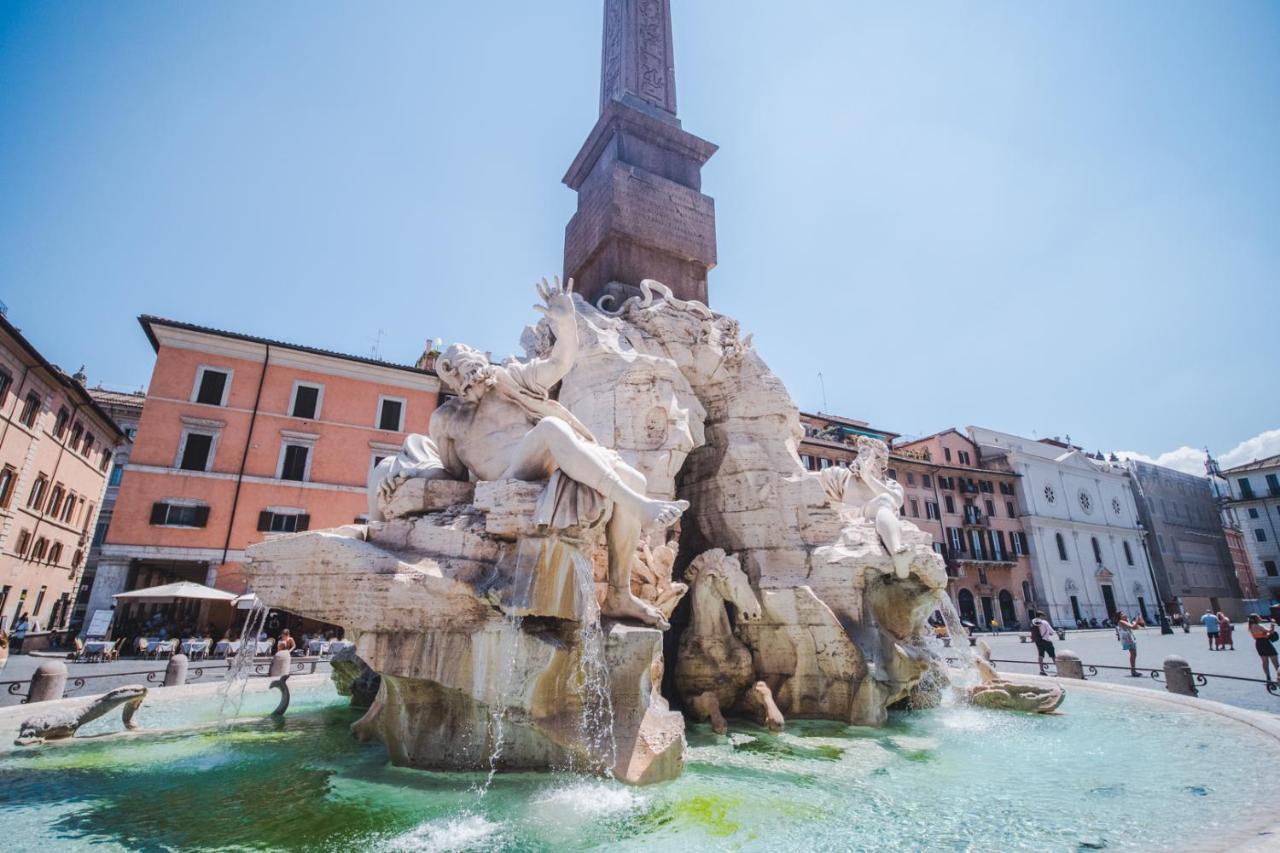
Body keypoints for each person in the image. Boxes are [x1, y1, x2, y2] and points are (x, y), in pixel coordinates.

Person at [1248, 615, 1280, 682]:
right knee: (1275, 662)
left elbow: (1261, 635)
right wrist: (1273, 623)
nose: (1260, 618)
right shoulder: (1258, 626)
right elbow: (1271, 631)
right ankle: (1279, 677)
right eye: (1258, 617)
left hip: (1258, 644)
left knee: (1265, 662)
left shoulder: (1250, 627)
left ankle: (1268, 677)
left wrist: (1266, 635)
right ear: (1255, 619)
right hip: (1266, 643)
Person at [1115, 612, 1140, 676]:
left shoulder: (1126, 621)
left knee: (1134, 654)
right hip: (1127, 640)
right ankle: (1133, 671)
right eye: (1122, 614)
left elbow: (1135, 628)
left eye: (1124, 613)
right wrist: (1137, 620)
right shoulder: (1121, 621)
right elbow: (1132, 627)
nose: (1125, 614)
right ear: (1120, 617)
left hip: (1130, 638)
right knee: (1133, 654)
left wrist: (1137, 622)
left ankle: (1133, 670)